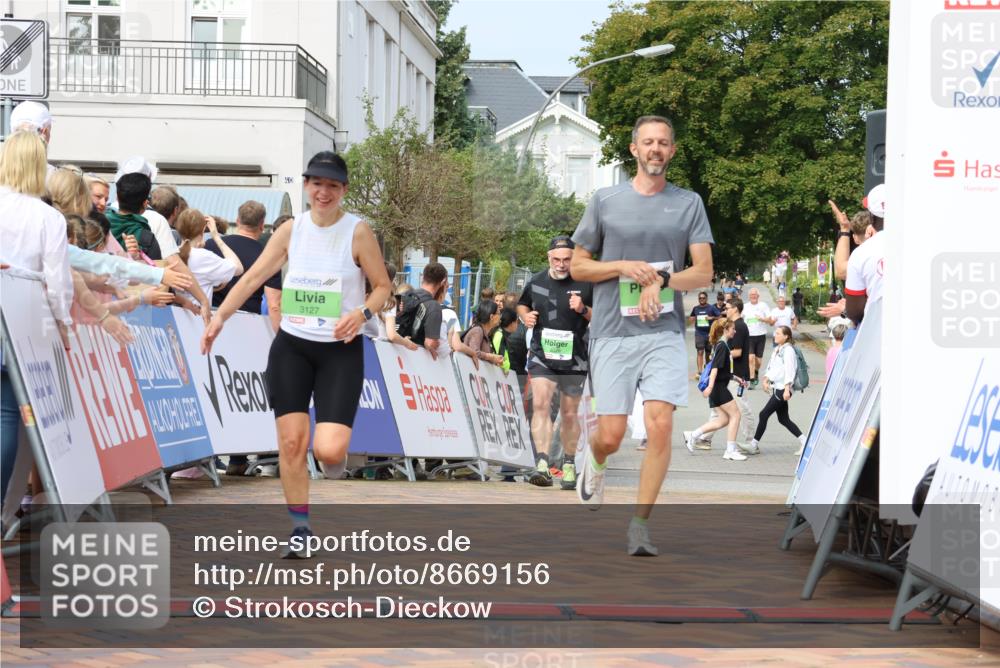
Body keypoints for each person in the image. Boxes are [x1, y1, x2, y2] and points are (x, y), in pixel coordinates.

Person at [201, 151, 392, 557]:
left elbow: (382, 287)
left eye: (333, 186)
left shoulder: (358, 232)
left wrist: (361, 313)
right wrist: (220, 319)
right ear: (306, 185)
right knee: (290, 443)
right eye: (317, 184)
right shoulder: (291, 230)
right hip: (292, 346)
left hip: (340, 351)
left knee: (329, 450)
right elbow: (252, 277)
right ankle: (300, 528)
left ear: (343, 191)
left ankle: (332, 464)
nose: (324, 192)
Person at [570, 115, 714, 556]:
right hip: (613, 331)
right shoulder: (605, 200)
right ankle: (594, 460)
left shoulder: (688, 203)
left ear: (672, 151)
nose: (656, 149)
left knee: (660, 425)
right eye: (648, 142)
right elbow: (578, 267)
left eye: (664, 143)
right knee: (612, 435)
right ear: (634, 149)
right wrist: (621, 266)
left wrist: (662, 282)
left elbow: (704, 272)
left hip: (665, 331)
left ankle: (639, 525)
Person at [0, 132, 74, 500]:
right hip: (21, 325)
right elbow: (59, 281)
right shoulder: (47, 218)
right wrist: (63, 324)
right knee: (7, 417)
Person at [517, 235, 593, 490]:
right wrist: (526, 318)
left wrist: (583, 309)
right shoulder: (537, 281)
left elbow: (602, 317)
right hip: (542, 354)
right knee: (540, 403)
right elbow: (522, 305)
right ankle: (541, 463)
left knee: (569, 414)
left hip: (575, 358)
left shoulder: (586, 283)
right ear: (549, 257)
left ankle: (569, 464)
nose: (561, 265)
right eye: (556, 259)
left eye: (567, 260)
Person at [205, 200, 282, 332]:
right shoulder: (269, 258)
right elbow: (273, 305)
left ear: (237, 220)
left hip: (211, 321)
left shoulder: (211, 245)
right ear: (262, 225)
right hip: (248, 325)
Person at [684, 318, 745, 461]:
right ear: (725, 330)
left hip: (718, 388)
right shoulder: (722, 346)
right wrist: (710, 387)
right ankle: (730, 451)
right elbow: (715, 369)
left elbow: (724, 371)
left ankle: (692, 435)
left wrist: (737, 379)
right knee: (736, 415)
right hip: (717, 388)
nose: (735, 331)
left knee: (723, 420)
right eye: (733, 329)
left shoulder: (722, 345)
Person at [747, 326, 808, 455]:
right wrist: (765, 379)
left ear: (786, 336)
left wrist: (787, 389)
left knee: (763, 414)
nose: (775, 335)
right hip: (777, 387)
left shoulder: (789, 351)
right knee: (783, 419)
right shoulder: (777, 349)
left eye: (778, 333)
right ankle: (805, 441)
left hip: (783, 389)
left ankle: (754, 444)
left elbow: (790, 370)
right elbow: (773, 368)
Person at [174, 208, 244, 308]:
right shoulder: (205, 257)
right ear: (203, 230)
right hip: (198, 318)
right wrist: (216, 237)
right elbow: (238, 268)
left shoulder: (171, 254)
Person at [844, 185, 886, 325]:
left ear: (871, 218)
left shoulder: (861, 253)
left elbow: (854, 311)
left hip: (876, 333)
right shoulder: (922, 244)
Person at [743, 288, 771, 387]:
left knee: (758, 361)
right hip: (749, 336)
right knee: (750, 358)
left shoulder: (763, 305)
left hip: (760, 335)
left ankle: (755, 371)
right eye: (751, 295)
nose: (753, 296)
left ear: (758, 296)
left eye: (755, 295)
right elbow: (739, 318)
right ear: (749, 296)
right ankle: (752, 379)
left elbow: (770, 319)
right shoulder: (745, 306)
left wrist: (762, 319)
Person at [462, 301, 504, 368]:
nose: (500, 317)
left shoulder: (486, 333)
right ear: (492, 317)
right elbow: (475, 353)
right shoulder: (477, 331)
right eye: (499, 313)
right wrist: (491, 357)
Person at [688, 291, 720, 375]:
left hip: (710, 334)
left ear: (706, 298)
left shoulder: (711, 308)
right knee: (700, 351)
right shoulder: (696, 308)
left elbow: (719, 316)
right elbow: (691, 317)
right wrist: (691, 319)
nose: (701, 299)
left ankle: (707, 369)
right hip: (699, 333)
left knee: (708, 353)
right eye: (700, 298)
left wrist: (711, 318)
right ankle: (699, 371)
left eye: (703, 298)